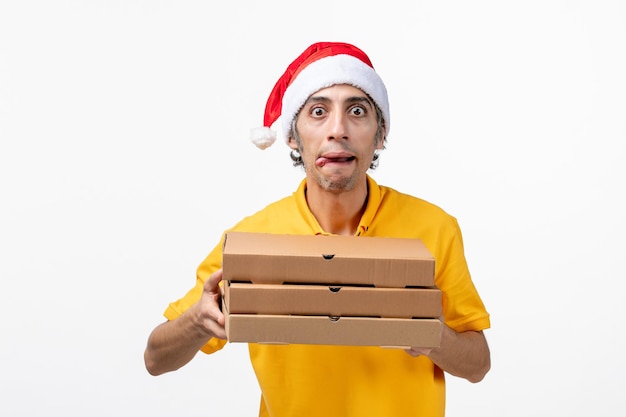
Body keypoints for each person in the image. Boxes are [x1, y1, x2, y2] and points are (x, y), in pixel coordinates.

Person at [144, 41, 491, 417]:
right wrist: (198, 320)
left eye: (357, 111)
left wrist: (433, 337)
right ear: (292, 136)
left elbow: (478, 365)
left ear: (381, 134)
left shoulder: (434, 228)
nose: (337, 129)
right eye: (318, 112)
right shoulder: (252, 239)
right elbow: (155, 359)